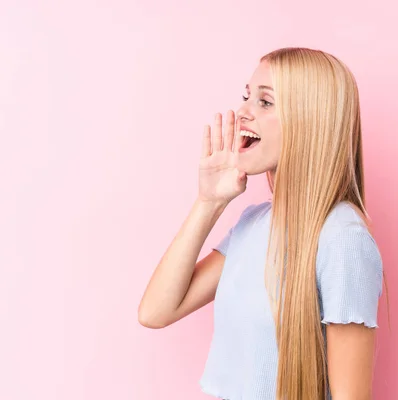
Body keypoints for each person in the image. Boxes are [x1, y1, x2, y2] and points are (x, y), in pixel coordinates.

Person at [138, 47, 384, 400]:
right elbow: (156, 311)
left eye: (265, 102)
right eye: (246, 96)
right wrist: (210, 202)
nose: (243, 112)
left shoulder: (343, 239)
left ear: (309, 120)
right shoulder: (253, 223)